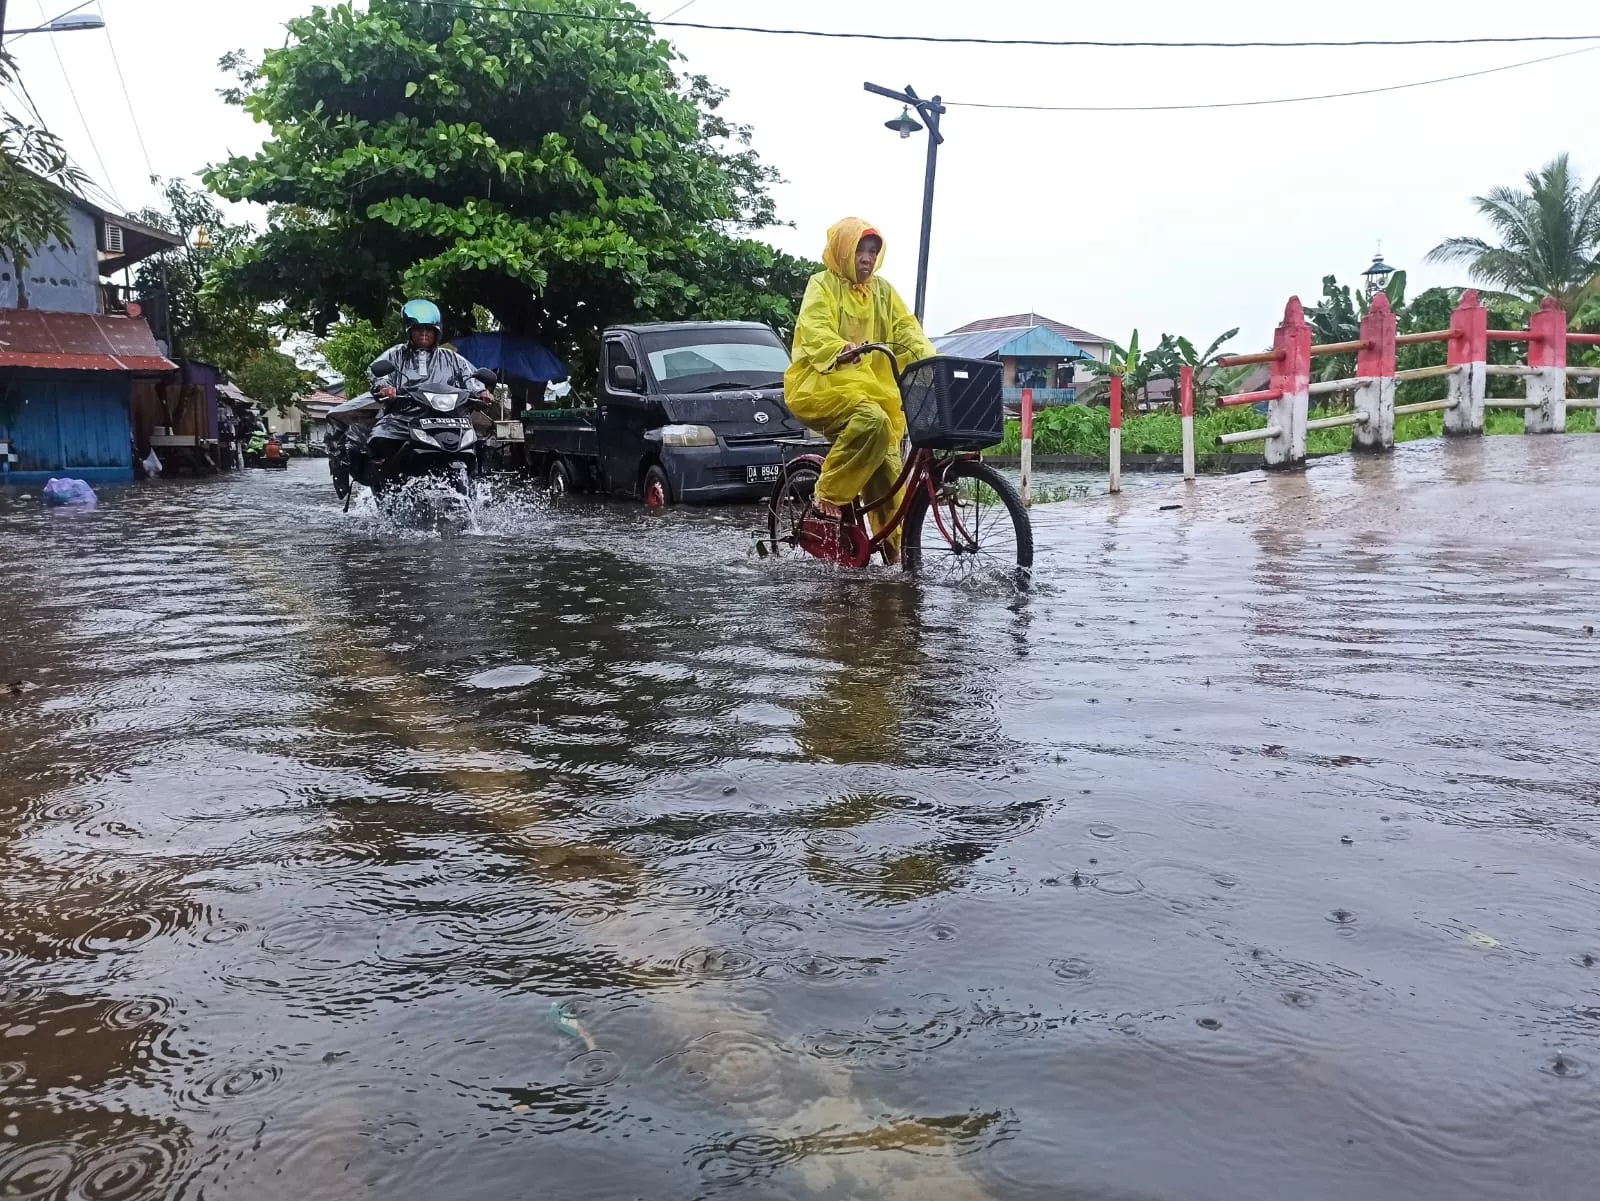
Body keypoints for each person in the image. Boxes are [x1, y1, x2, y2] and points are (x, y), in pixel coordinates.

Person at [784, 218, 937, 562]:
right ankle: (828, 494)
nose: (866, 259)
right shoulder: (822, 285)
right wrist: (840, 348)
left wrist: (928, 358)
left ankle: (897, 555)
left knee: (888, 469)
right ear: (843, 251)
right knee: (872, 421)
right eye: (859, 250)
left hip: (871, 390)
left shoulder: (882, 292)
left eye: (872, 251)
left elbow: (905, 330)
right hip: (820, 384)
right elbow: (815, 328)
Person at [365, 299, 493, 467]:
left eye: (429, 329)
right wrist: (385, 388)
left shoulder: (451, 357)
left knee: (481, 443)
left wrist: (481, 392)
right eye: (418, 329)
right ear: (409, 331)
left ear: (437, 332)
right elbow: (377, 372)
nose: (424, 333)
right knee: (379, 440)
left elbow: (471, 377)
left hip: (450, 419)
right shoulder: (395, 354)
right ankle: (384, 483)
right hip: (404, 417)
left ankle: (475, 482)